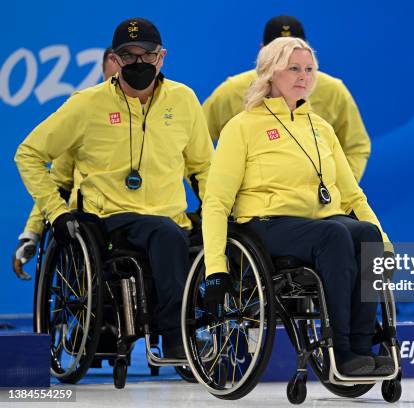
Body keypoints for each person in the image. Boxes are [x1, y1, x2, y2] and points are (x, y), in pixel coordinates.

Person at [15, 18, 213, 358]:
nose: (138, 63)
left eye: (146, 55)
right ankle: (176, 337)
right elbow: (32, 156)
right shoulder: (87, 105)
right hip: (110, 220)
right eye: (128, 55)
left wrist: (216, 213)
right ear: (115, 59)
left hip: (172, 219)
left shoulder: (184, 101)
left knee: (212, 236)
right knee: (164, 233)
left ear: (161, 57)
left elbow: (204, 168)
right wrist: (49, 218)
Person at [202, 37, 393, 376]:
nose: (303, 76)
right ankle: (342, 350)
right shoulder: (242, 126)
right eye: (293, 68)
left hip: (319, 223)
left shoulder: (320, 127)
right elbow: (216, 201)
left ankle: (364, 349)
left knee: (366, 234)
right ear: (270, 73)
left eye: (308, 69)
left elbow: (352, 196)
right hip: (265, 224)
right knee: (333, 234)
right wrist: (216, 268)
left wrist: (384, 241)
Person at [202, 15, 371, 182]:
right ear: (262, 52)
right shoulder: (231, 91)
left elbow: (356, 147)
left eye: (295, 53)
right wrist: (214, 191)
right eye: (279, 55)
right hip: (249, 204)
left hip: (318, 204)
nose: (288, 61)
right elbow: (196, 146)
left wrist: (337, 192)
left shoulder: (333, 91)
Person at [12, 47, 120, 281]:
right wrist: (32, 231)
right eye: (113, 80)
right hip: (92, 224)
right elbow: (59, 183)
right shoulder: (86, 115)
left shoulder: (157, 118)